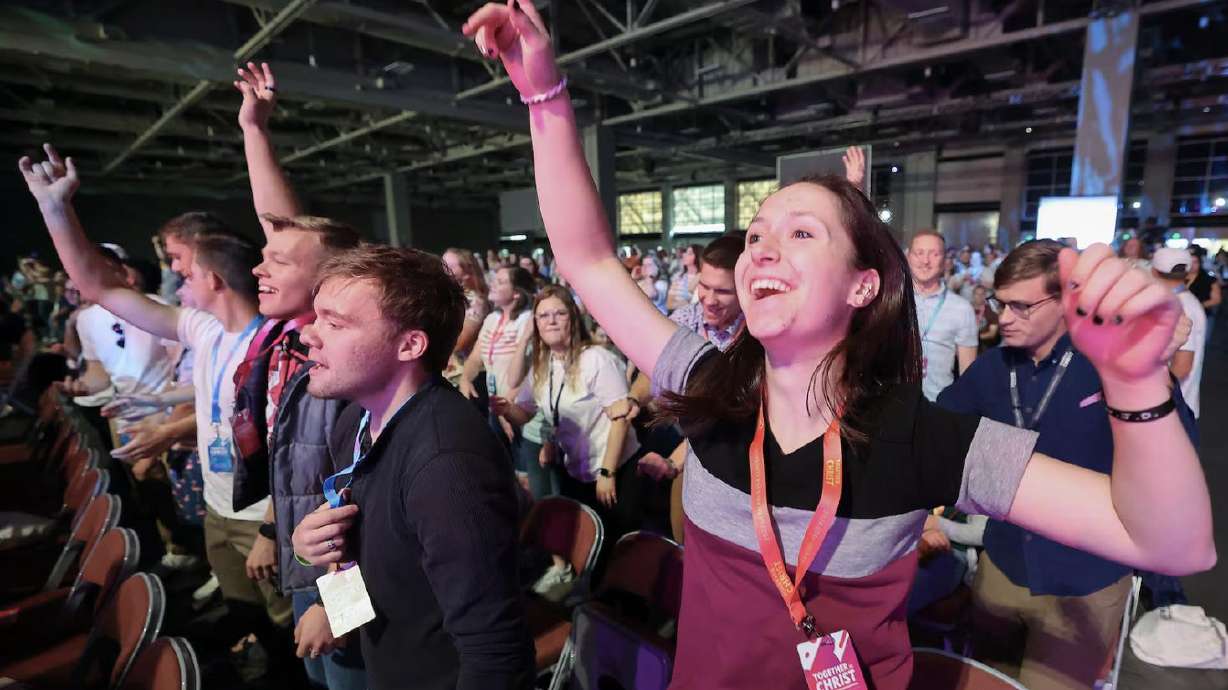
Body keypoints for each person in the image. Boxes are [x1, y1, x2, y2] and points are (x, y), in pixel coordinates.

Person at [459, 6, 1214, 689]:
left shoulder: (920, 436)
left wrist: (1135, 383)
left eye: (800, 234)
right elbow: (589, 262)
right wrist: (544, 96)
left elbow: (1169, 542)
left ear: (862, 286)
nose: (759, 251)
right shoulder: (709, 384)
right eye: (756, 237)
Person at [17, 143, 299, 685]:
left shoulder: (276, 339)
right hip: (223, 510)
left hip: (267, 519)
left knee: (294, 627)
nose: (174, 279)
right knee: (249, 618)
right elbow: (99, 287)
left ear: (214, 278)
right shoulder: (202, 329)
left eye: (182, 269)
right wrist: (55, 208)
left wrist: (270, 526)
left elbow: (299, 445)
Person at [937, 241, 1199, 689]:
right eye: (1001, 303)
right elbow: (942, 429)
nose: (1004, 318)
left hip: (1086, 581)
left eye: (1022, 306)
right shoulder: (993, 368)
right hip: (1003, 566)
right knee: (984, 682)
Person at [290, 245, 534, 690]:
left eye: (335, 322)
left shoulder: (448, 466)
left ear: (409, 344)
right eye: (317, 317)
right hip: (387, 660)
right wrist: (332, 604)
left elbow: (495, 651)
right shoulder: (356, 418)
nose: (310, 335)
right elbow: (360, 555)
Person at [233, 61, 368, 690]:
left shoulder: (349, 367)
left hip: (346, 596)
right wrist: (253, 129)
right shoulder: (294, 342)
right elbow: (284, 232)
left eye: (275, 261)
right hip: (309, 573)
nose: (260, 267)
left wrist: (330, 606)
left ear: (326, 287)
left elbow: (360, 502)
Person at [496, 286, 641, 571]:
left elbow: (620, 419)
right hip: (576, 468)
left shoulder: (595, 359)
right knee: (589, 542)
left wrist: (607, 472)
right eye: (543, 316)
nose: (551, 321)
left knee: (617, 545)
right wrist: (505, 409)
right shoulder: (543, 364)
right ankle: (588, 589)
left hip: (614, 468)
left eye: (559, 313)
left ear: (573, 319)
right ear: (535, 325)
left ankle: (620, 605)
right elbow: (524, 414)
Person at [459, 264, 535, 442]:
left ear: (516, 292)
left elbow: (529, 373)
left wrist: (505, 408)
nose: (492, 284)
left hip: (521, 410)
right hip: (497, 409)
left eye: (500, 282)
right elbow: (476, 358)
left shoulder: (527, 321)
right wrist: (465, 379)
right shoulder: (492, 319)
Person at [907, 230, 978, 400]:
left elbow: (968, 375)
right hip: (893, 406)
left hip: (937, 406)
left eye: (934, 254)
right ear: (908, 257)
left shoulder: (961, 309)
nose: (925, 261)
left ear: (945, 260)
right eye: (919, 253)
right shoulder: (893, 301)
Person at [1152, 248, 1206, 418]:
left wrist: (1152, 397)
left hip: (1173, 409)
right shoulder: (1184, 301)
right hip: (1174, 406)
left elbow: (1182, 366)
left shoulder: (1181, 307)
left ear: (1153, 271)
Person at [442, 247, 491, 387]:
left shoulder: (476, 302)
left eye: (449, 266)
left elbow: (459, 343)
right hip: (449, 374)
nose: (443, 270)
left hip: (465, 375)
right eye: (442, 265)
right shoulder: (450, 298)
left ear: (467, 271)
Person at [1185, 246, 1221, 345]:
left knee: (1200, 343)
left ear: (1200, 262)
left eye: (1195, 262)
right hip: (1184, 316)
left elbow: (1216, 299)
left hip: (1203, 315)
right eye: (1190, 262)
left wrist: (1200, 305)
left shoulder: (1208, 279)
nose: (1192, 265)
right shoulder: (1180, 277)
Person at [666, 243, 702, 312]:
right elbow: (669, 304)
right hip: (676, 315)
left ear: (698, 257)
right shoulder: (678, 276)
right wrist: (685, 303)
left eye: (689, 253)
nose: (684, 255)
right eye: (685, 252)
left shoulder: (702, 277)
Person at [972, 284, 1000, 352]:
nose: (979, 296)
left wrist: (977, 338)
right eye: (977, 294)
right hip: (968, 343)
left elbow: (992, 333)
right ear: (973, 295)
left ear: (985, 296)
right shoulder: (967, 310)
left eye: (982, 294)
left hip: (984, 345)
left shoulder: (991, 311)